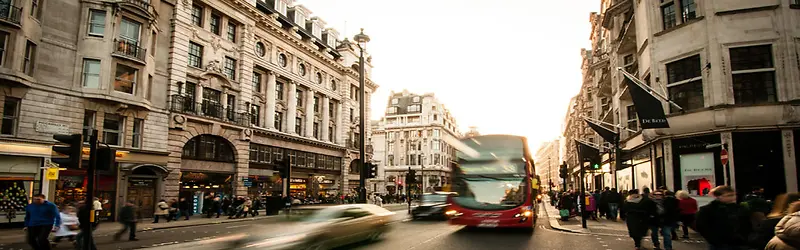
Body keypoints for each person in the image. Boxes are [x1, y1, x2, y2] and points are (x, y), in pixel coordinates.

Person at [696, 185, 750, 250]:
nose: (733, 197)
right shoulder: (708, 210)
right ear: (719, 197)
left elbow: (746, 223)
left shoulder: (740, 208)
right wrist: (714, 240)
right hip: (720, 244)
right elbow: (701, 226)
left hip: (740, 243)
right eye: (728, 195)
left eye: (734, 195)